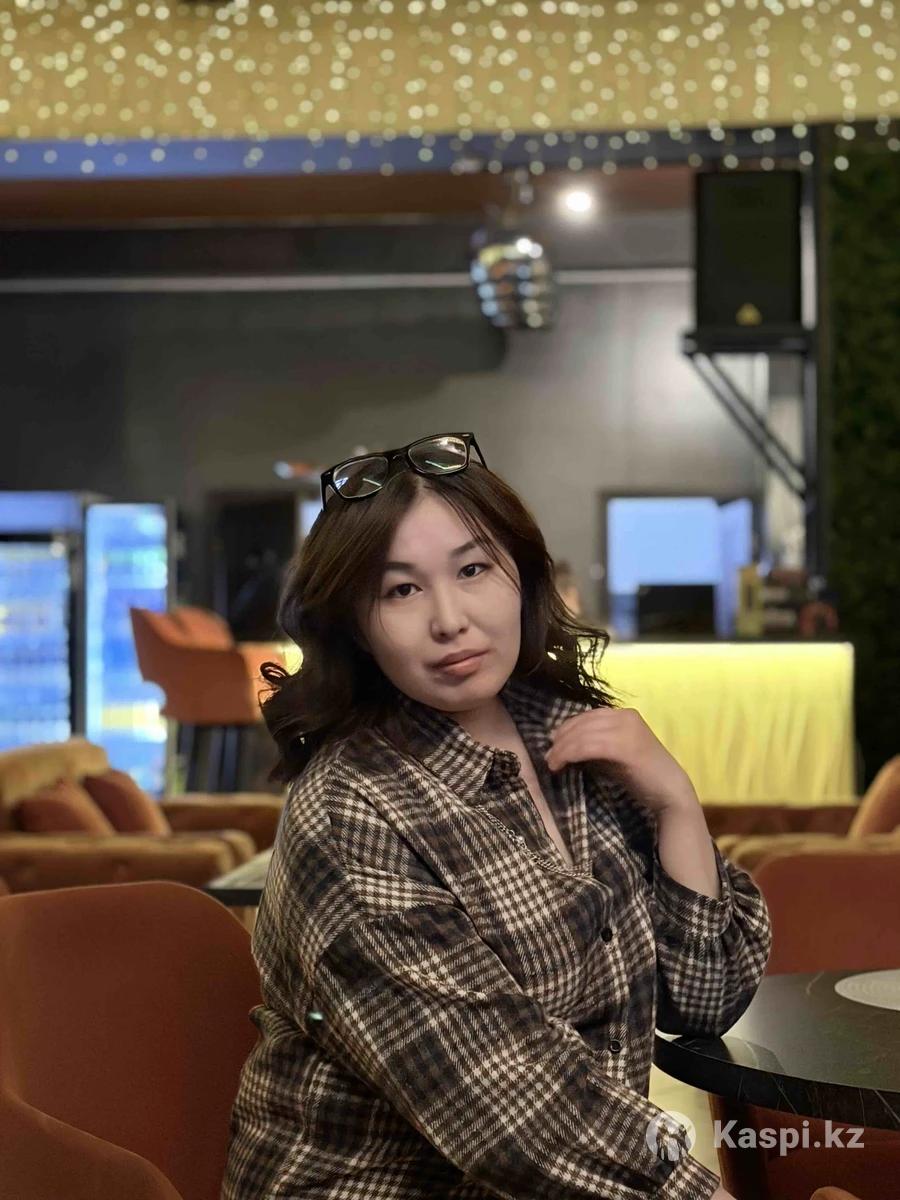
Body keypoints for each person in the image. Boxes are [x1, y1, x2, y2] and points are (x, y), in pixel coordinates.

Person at [222, 431, 770, 1200]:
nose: (449, 619)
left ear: (523, 575)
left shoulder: (574, 738)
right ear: (355, 625)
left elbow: (704, 1000)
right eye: (400, 590)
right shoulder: (352, 812)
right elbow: (516, 1116)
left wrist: (677, 803)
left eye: (473, 569)